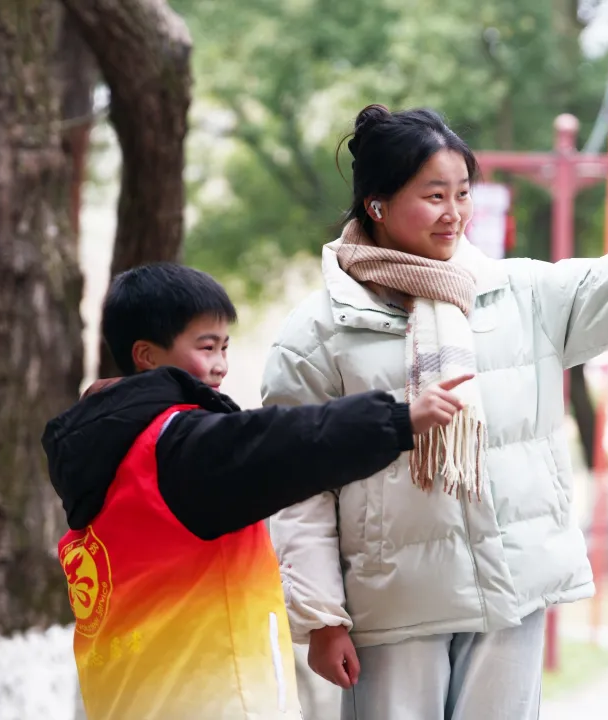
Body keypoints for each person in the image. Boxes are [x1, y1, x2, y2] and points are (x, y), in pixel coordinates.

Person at [261, 104, 608, 720]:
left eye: (462, 193)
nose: (454, 213)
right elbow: (298, 485)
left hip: (512, 588)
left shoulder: (518, 295)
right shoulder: (318, 332)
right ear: (376, 204)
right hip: (395, 606)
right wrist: (322, 618)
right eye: (433, 196)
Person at [41, 262, 469, 720]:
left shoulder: (106, 459)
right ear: (146, 355)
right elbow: (286, 442)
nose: (221, 365)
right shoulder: (177, 448)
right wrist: (398, 420)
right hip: (212, 700)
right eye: (206, 348)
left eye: (225, 346)